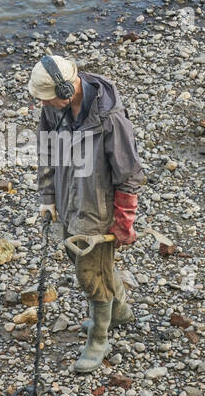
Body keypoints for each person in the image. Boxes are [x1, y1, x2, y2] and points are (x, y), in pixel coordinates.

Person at [28, 54, 144, 373]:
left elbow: (129, 173)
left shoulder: (109, 116)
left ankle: (99, 337)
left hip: (98, 209)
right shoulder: (54, 108)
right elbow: (46, 149)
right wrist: (47, 197)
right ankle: (119, 311)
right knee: (80, 258)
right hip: (68, 201)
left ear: (67, 90)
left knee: (89, 274)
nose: (45, 105)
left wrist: (124, 221)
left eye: (48, 99)